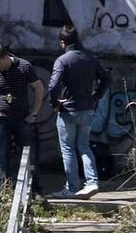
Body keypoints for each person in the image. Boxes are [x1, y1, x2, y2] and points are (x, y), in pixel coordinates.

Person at [0, 41, 45, 193]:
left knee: (29, 154)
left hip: (22, 119)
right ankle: (2, 190)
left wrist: (34, 113)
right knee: (1, 156)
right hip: (1, 120)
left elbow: (39, 88)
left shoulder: (24, 66)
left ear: (5, 57)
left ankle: (34, 189)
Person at [47, 25, 111, 199]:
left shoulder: (63, 60)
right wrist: (95, 97)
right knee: (84, 146)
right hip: (88, 110)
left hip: (68, 110)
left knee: (68, 149)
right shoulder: (91, 58)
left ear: (62, 42)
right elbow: (106, 79)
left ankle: (72, 187)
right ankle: (92, 182)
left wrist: (54, 103)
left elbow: (53, 86)